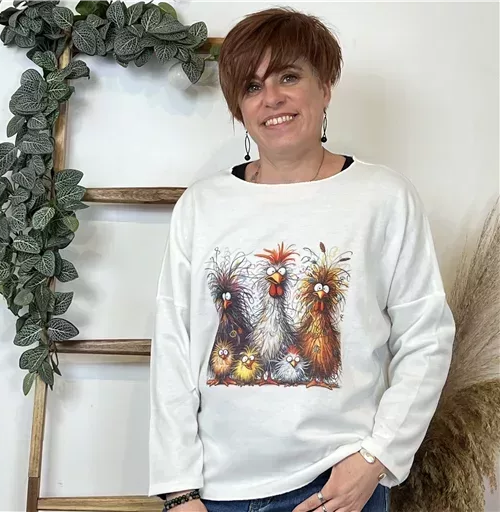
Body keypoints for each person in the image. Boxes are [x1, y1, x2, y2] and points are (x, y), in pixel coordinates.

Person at [148, 7, 456, 512]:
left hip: (336, 486)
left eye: (288, 77)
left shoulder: (383, 198)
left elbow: (427, 335)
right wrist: (178, 490)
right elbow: (173, 346)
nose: (271, 98)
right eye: (252, 86)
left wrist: (376, 458)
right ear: (239, 108)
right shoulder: (202, 206)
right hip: (216, 492)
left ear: (325, 86)